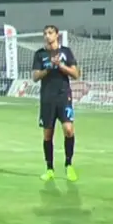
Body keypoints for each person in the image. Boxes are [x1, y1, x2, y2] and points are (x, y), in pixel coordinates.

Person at [32, 25, 79, 182]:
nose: (47, 36)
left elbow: (76, 74)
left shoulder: (66, 52)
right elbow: (35, 77)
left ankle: (69, 165)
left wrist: (60, 66)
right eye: (45, 33)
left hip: (64, 96)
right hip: (47, 98)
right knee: (48, 134)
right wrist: (49, 68)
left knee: (68, 129)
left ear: (57, 35)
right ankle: (49, 168)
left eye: (50, 33)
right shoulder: (40, 54)